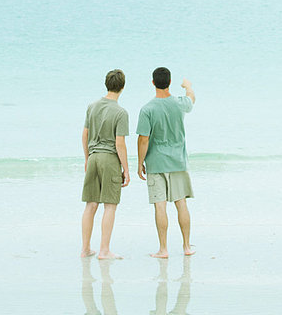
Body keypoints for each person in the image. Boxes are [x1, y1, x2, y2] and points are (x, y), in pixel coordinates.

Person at [136, 67, 196, 258]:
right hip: (178, 162)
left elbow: (143, 139)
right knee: (181, 204)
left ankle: (163, 249)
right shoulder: (179, 103)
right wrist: (187, 86)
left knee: (160, 206)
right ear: (169, 82)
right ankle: (186, 247)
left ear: (153, 83)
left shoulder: (147, 109)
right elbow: (191, 99)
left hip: (156, 162)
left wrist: (139, 163)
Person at [81, 69, 130, 260]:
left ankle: (85, 249)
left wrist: (87, 158)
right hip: (109, 159)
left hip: (93, 157)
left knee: (90, 205)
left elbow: (84, 135)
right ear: (122, 87)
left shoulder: (92, 106)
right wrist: (126, 168)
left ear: (106, 84)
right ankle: (104, 250)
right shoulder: (120, 112)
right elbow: (120, 143)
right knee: (110, 205)